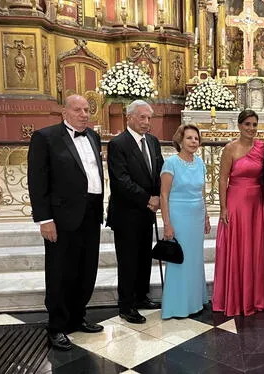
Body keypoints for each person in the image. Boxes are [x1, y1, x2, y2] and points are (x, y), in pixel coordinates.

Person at [27, 94, 104, 350]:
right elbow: (37, 181)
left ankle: (78, 316)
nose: (84, 114)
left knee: (86, 268)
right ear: (64, 112)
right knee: (60, 272)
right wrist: (44, 219)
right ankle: (57, 326)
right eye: (78, 110)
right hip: (60, 218)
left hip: (91, 214)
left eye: (86, 110)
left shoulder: (93, 136)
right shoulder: (45, 137)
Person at [107, 100, 164, 324]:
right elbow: (121, 180)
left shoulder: (152, 141)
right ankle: (126, 305)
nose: (146, 123)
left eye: (149, 118)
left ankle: (141, 296)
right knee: (128, 260)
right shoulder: (118, 144)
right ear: (129, 117)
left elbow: (159, 170)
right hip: (126, 213)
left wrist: (159, 196)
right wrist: (147, 199)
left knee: (143, 257)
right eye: (142, 117)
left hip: (146, 212)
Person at [213, 110, 264, 316]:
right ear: (239, 126)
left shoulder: (263, 147)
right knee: (238, 248)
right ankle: (236, 298)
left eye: (254, 124)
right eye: (247, 124)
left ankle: (256, 298)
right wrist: (223, 207)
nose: (251, 129)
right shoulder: (230, 148)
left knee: (255, 249)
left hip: (258, 203)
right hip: (236, 202)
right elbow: (222, 179)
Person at [159, 125, 211, 318]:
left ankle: (195, 301)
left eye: (196, 138)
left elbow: (202, 193)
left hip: (196, 217)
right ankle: (178, 306)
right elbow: (164, 196)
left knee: (195, 260)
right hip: (178, 216)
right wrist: (167, 223)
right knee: (180, 260)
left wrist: (205, 216)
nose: (193, 142)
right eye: (189, 138)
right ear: (180, 140)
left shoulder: (200, 163)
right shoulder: (171, 163)